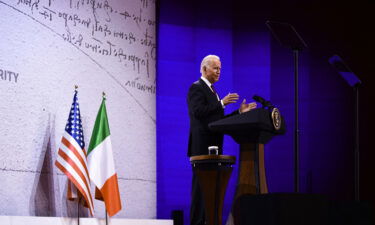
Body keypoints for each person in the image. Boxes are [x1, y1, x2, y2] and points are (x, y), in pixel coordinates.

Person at [187, 55, 257, 225]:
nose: (219, 72)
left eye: (220, 68)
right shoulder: (196, 88)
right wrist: (222, 103)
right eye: (215, 68)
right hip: (201, 149)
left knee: (210, 191)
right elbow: (198, 112)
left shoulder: (212, 90)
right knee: (200, 191)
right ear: (204, 69)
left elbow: (217, 121)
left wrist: (239, 113)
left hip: (214, 149)